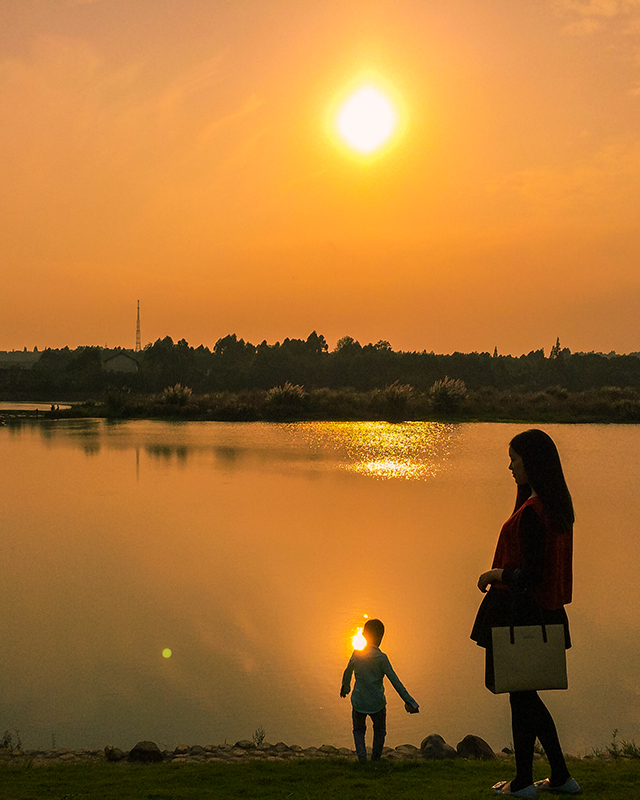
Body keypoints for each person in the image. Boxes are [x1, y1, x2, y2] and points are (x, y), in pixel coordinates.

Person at [471, 429, 581, 797]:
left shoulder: (534, 513)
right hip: (543, 614)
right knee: (526, 698)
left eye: (514, 459)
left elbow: (532, 575)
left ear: (531, 463)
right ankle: (560, 777)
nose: (510, 466)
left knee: (522, 698)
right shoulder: (556, 508)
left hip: (521, 614)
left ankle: (523, 783)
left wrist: (494, 574)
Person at [340, 618, 419, 761]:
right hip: (377, 703)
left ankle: (362, 757)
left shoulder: (356, 654)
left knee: (358, 730)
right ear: (381, 637)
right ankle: (375, 757)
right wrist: (410, 702)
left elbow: (347, 672)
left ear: (364, 635)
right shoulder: (382, 658)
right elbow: (395, 681)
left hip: (359, 702)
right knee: (379, 731)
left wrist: (345, 688)